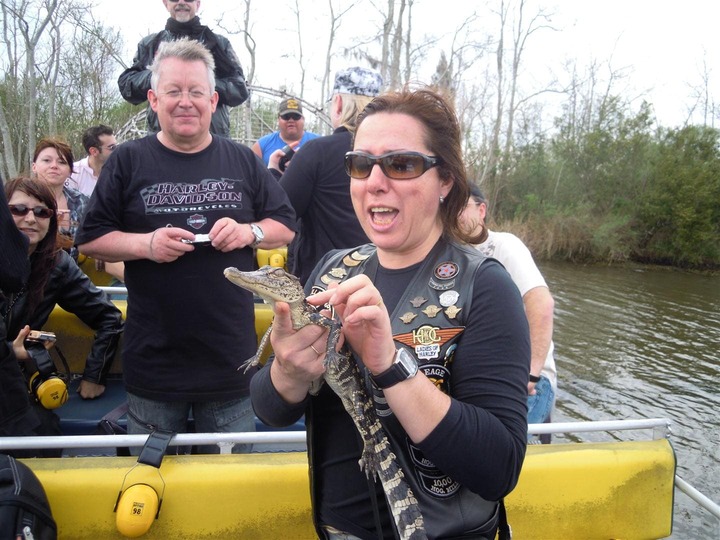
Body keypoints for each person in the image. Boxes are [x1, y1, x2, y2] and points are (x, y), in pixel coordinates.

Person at [250, 88, 530, 539]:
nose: (374, 182)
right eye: (361, 164)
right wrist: (287, 371)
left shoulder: (486, 287)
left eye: (401, 164)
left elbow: (499, 468)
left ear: (445, 181)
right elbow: (269, 408)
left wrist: (390, 365)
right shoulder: (331, 269)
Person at [77, 39, 296, 454]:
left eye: (196, 92)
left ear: (213, 101)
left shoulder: (242, 160)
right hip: (155, 364)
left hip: (232, 364)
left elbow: (284, 225)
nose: (185, 102)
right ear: (153, 99)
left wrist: (250, 233)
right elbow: (90, 237)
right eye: (174, 91)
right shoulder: (127, 160)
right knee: (150, 485)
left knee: (232, 489)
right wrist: (147, 244)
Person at [2, 177, 124, 456]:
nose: (31, 218)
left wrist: (94, 376)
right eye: (18, 210)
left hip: (16, 385)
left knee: (45, 439)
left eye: (42, 211)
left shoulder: (56, 264)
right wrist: (11, 352)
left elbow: (109, 317)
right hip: (9, 373)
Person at [459, 184, 557, 443]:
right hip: (482, 381)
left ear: (482, 210)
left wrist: (532, 373)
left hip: (525, 381)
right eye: (448, 206)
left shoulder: (505, 246)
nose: (454, 214)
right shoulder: (451, 255)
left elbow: (542, 305)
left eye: (462, 206)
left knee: (500, 451)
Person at [275, 67, 382, 285]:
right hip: (381, 284)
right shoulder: (395, 157)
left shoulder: (317, 152)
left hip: (325, 288)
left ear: (339, 103)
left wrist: (272, 172)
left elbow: (278, 212)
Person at [118, 0, 249, 138]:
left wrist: (203, 84)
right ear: (165, 3)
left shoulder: (219, 44)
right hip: (161, 145)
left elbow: (240, 89)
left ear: (197, 4)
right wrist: (160, 77)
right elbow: (127, 86)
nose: (181, 2)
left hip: (212, 143)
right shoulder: (150, 44)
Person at [31, 137, 89, 262]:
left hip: (72, 274)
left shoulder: (82, 202)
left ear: (70, 171)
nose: (54, 166)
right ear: (34, 167)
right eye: (47, 160)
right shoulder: (17, 201)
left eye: (62, 162)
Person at [251, 97, 320, 166]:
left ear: (303, 119)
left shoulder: (319, 144)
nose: (291, 120)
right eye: (286, 116)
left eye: (296, 116)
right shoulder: (261, 146)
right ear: (278, 119)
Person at [66, 124, 118, 197]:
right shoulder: (73, 173)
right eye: (112, 147)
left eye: (117, 146)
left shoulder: (120, 171)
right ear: (94, 151)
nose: (117, 150)